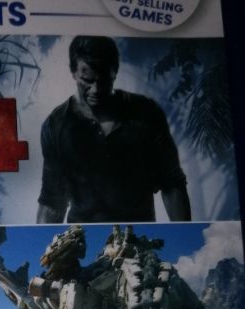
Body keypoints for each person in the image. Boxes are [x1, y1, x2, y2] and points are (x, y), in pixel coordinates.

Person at [37, 36, 191, 224]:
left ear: (115, 72)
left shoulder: (146, 113)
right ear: (73, 72)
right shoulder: (56, 125)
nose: (95, 90)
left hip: (138, 232)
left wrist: (184, 231)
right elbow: (52, 201)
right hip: (83, 235)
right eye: (87, 80)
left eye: (103, 80)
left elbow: (172, 183)